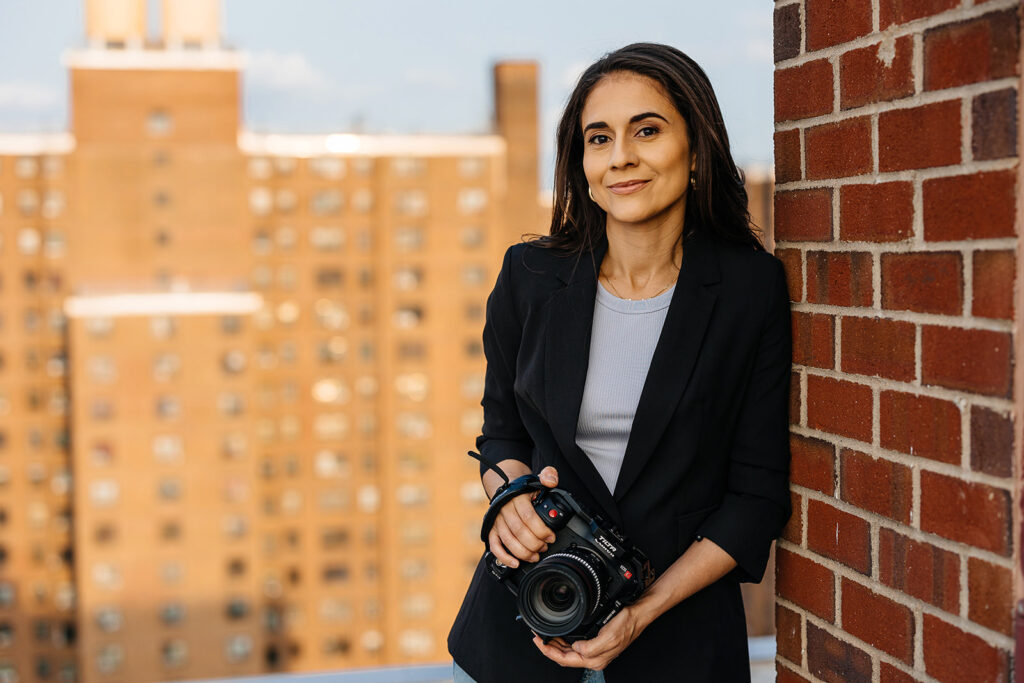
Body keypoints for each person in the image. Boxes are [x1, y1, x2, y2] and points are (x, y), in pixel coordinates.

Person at [447, 42, 792, 682]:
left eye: (648, 130)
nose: (621, 157)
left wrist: (642, 611)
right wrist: (511, 502)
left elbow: (756, 496)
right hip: (526, 629)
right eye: (598, 138)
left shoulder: (750, 291)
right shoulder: (529, 276)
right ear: (581, 165)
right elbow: (501, 435)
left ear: (696, 147)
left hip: (679, 643)